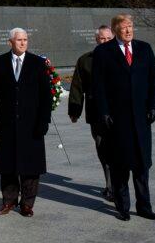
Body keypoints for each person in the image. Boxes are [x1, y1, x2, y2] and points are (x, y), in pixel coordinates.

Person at [93, 14, 155, 221]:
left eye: (131, 26)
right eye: (124, 28)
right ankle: (122, 206)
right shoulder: (103, 52)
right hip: (117, 120)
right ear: (115, 30)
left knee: (141, 166)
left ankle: (144, 206)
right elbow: (98, 86)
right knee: (120, 165)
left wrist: (154, 106)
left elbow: (153, 81)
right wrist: (103, 112)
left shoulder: (144, 49)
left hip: (141, 119)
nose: (129, 30)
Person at [0, 27, 52, 217]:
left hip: (32, 125)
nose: (23, 43)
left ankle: (27, 204)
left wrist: (43, 121)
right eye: (19, 40)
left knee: (30, 167)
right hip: (7, 124)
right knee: (8, 166)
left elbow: (45, 96)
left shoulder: (37, 63)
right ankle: (8, 201)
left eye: (25, 39)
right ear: (10, 42)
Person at [69, 24, 115, 199]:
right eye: (101, 38)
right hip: (96, 114)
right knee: (103, 149)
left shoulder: (122, 57)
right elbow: (77, 86)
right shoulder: (85, 60)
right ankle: (110, 186)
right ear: (96, 40)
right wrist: (75, 110)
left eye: (108, 39)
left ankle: (118, 185)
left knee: (118, 151)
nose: (104, 41)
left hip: (119, 113)